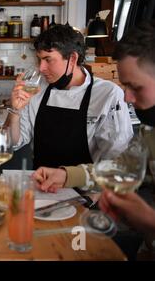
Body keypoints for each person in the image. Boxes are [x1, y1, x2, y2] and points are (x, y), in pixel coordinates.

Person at [33, 20, 155, 238]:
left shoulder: (107, 95)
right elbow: (122, 168)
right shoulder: (150, 132)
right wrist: (66, 175)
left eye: (135, 87)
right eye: (125, 86)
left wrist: (148, 219)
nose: (126, 97)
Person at [8, 24, 133, 169]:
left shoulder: (107, 94)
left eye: (48, 60)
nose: (41, 68)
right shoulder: (37, 89)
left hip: (86, 190)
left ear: (73, 59)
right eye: (39, 59)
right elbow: (14, 142)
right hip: (40, 185)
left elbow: (117, 161)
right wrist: (15, 111)